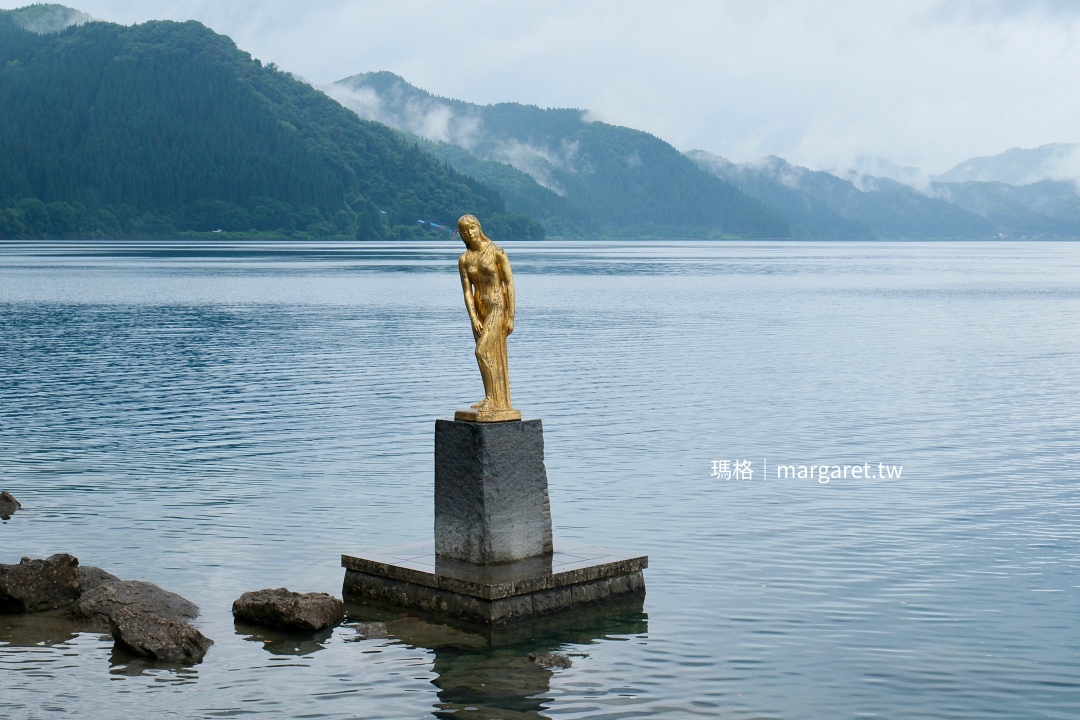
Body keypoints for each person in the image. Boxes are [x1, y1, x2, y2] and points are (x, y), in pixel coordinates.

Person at [457, 214, 517, 418]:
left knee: (481, 351)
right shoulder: (464, 259)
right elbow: (466, 291)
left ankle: (493, 400)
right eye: (464, 231)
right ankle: (490, 395)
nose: (469, 233)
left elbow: (508, 284)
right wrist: (473, 317)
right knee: (486, 355)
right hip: (480, 310)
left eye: (472, 228)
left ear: (479, 227)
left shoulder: (496, 252)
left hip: (497, 307)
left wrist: (511, 315)